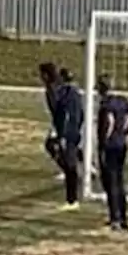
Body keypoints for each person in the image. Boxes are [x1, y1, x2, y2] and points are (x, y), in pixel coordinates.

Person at [96, 76, 128, 231]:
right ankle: (123, 217)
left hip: (110, 147)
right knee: (119, 181)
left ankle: (115, 218)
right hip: (121, 145)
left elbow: (109, 121)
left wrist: (104, 141)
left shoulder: (105, 105)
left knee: (111, 182)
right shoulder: (122, 100)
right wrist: (126, 129)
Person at [54, 68, 85, 211]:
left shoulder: (66, 94)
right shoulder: (76, 93)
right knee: (68, 161)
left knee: (70, 165)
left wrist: (64, 135)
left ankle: (72, 200)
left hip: (70, 133)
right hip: (76, 131)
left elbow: (66, 115)